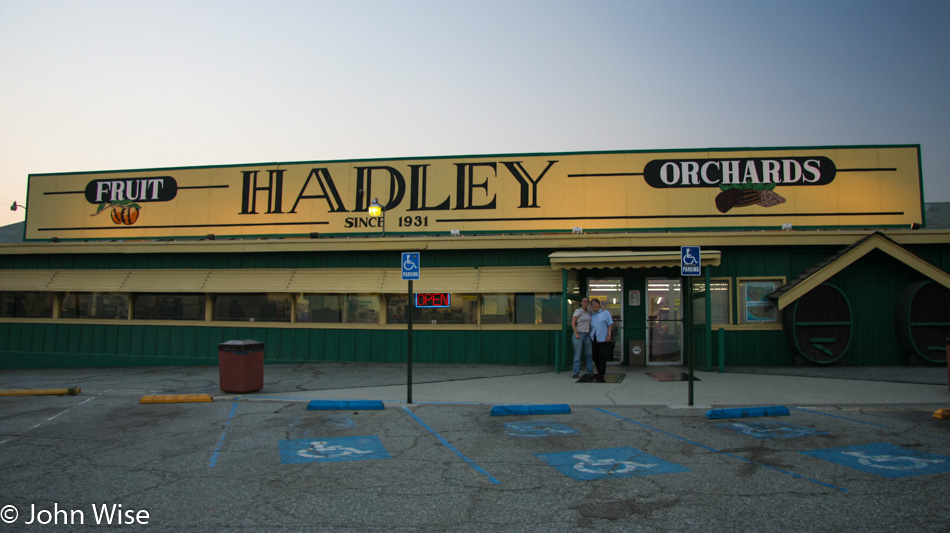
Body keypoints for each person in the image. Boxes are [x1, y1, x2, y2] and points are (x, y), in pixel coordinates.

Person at [588, 298, 614, 383]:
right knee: (594, 355)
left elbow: (610, 324)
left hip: (603, 337)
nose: (594, 305)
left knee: (602, 355)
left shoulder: (605, 313)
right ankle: (599, 370)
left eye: (596, 304)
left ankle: (602, 373)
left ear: (599, 305)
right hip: (594, 337)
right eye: (593, 304)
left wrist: (609, 334)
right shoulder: (592, 314)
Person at [571, 297, 594, 379]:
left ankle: (590, 371)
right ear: (581, 302)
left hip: (587, 334)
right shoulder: (578, 311)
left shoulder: (589, 313)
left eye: (587, 301)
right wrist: (576, 333)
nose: (585, 302)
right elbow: (573, 323)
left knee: (589, 354)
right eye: (584, 301)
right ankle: (576, 372)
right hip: (579, 334)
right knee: (577, 354)